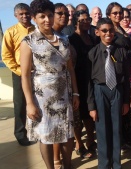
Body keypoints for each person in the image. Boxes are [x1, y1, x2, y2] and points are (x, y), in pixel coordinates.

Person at [20, 0, 79, 168]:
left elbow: (70, 69)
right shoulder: (28, 41)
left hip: (64, 92)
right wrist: (30, 103)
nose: (47, 19)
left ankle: (67, 165)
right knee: (45, 134)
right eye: (42, 16)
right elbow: (24, 76)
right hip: (42, 96)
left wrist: (75, 93)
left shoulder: (64, 39)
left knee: (67, 133)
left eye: (50, 15)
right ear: (33, 18)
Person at [87, 17, 131, 169]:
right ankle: (104, 165)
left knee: (116, 128)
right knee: (102, 130)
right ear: (97, 32)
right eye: (104, 30)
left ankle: (116, 164)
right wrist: (91, 106)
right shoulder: (92, 54)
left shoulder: (121, 52)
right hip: (100, 91)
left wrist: (126, 100)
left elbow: (127, 77)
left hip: (117, 91)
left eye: (111, 30)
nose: (108, 33)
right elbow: (89, 82)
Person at [1, 3, 36, 146]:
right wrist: (20, 72)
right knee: (20, 104)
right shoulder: (11, 32)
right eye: (21, 14)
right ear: (16, 16)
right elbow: (6, 56)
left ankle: (37, 131)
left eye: (27, 13)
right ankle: (21, 134)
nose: (24, 16)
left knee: (38, 103)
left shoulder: (37, 29)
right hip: (20, 73)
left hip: (38, 72)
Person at [68, 10, 96, 159]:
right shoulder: (71, 39)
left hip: (92, 80)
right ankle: (79, 144)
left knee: (89, 113)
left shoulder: (92, 38)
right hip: (78, 80)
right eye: (82, 20)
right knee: (78, 115)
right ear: (76, 22)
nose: (86, 22)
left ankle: (91, 140)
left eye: (88, 19)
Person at [52, 3, 71, 168]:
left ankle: (66, 160)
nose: (64, 16)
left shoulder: (64, 37)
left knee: (66, 125)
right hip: (50, 89)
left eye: (66, 13)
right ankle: (55, 159)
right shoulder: (44, 36)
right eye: (60, 13)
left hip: (68, 85)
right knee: (54, 126)